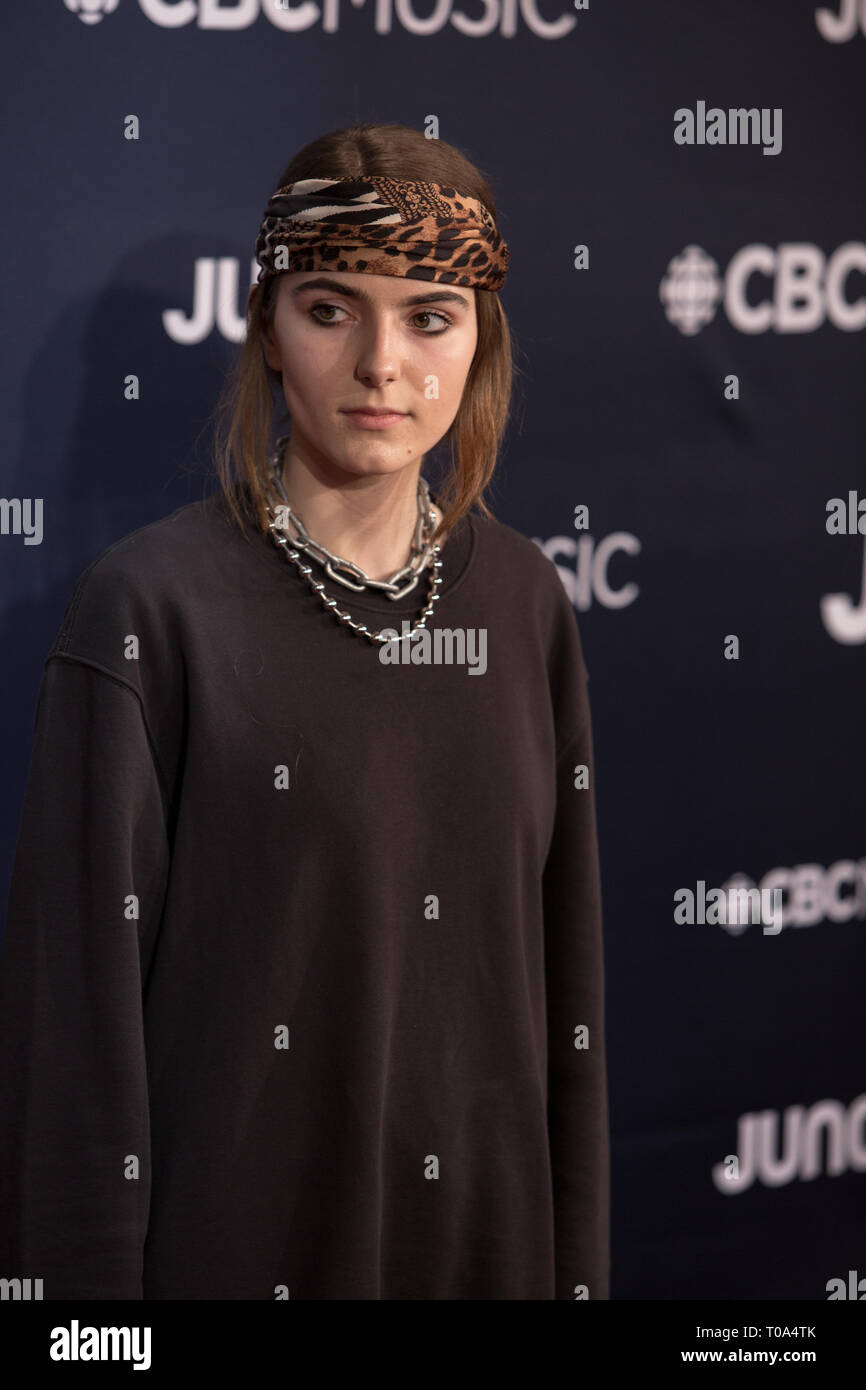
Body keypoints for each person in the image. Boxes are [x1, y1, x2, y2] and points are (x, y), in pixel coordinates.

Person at [0, 123, 610, 1300]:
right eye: (331, 308)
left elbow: (565, 1006)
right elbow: (72, 1043)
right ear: (268, 332)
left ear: (478, 341)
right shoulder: (147, 608)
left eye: (430, 314)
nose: (383, 362)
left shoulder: (528, 600)